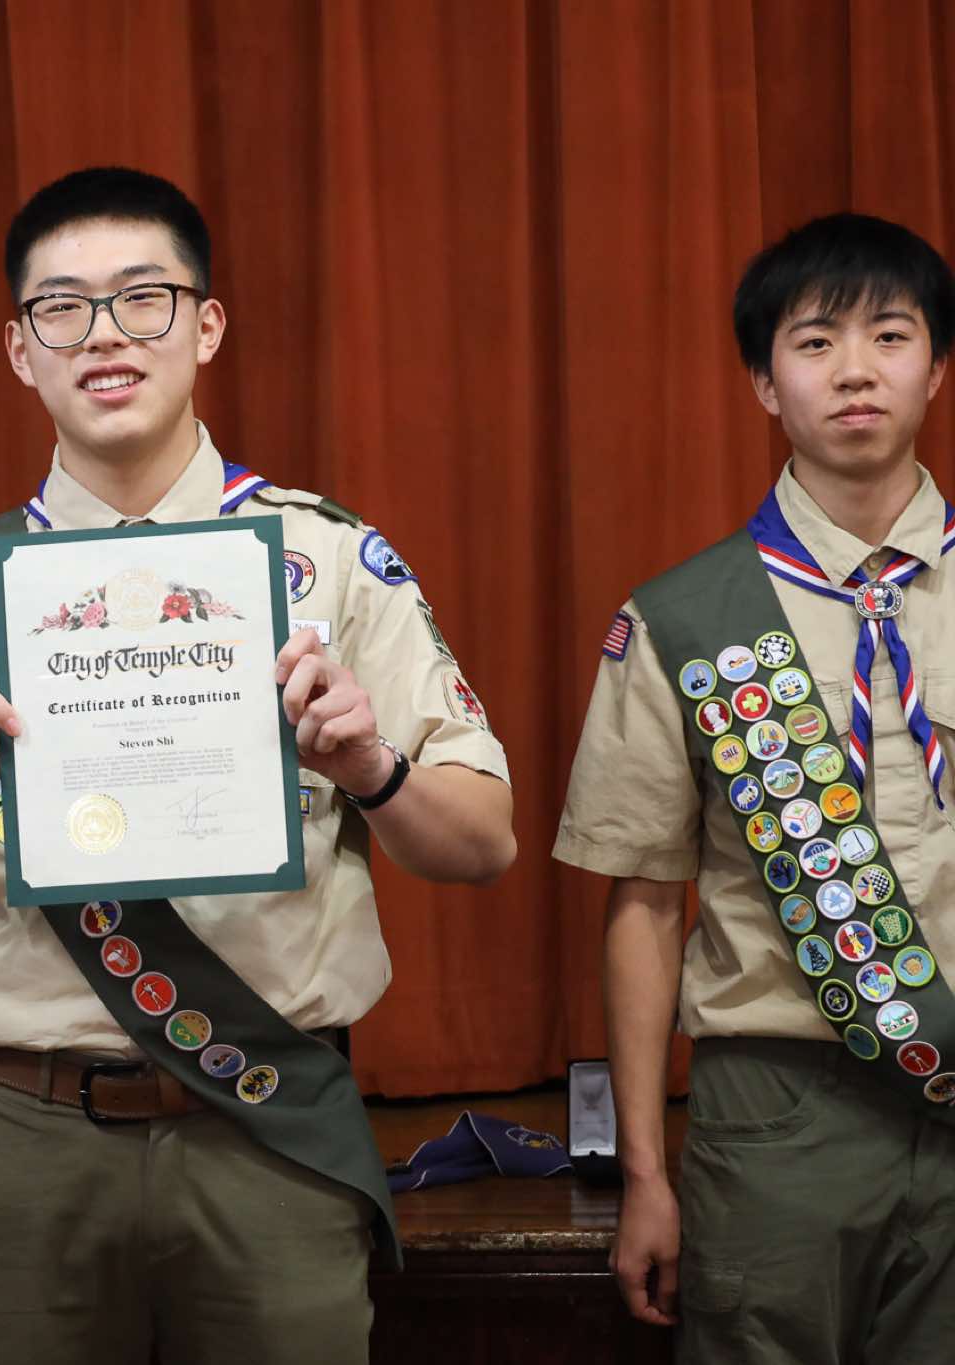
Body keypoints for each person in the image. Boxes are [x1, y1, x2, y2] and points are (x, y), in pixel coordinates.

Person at [0, 166, 516, 1364]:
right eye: (62, 308)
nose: (103, 335)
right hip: (23, 1140)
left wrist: (370, 766)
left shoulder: (326, 561)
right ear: (18, 350)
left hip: (266, 1129)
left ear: (204, 326)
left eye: (142, 298)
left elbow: (483, 842)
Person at [555, 212, 955, 1362]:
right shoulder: (684, 619)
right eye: (814, 342)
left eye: (888, 336)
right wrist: (644, 1172)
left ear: (935, 368)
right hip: (777, 1110)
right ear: (762, 384)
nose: (854, 370)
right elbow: (642, 905)